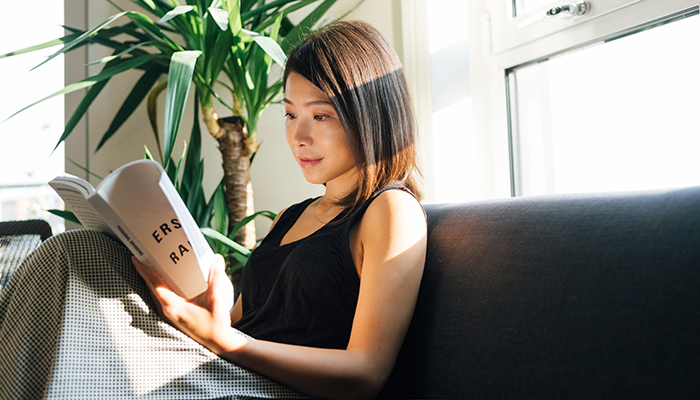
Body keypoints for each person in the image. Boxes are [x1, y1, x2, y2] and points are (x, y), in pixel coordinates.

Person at [0, 20, 426, 400]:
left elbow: (365, 373)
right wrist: (212, 308)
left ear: (371, 117)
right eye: (290, 113)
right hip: (226, 368)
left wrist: (225, 342)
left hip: (271, 386)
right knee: (75, 251)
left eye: (321, 116)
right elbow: (236, 324)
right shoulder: (290, 218)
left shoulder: (391, 210)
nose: (298, 135)